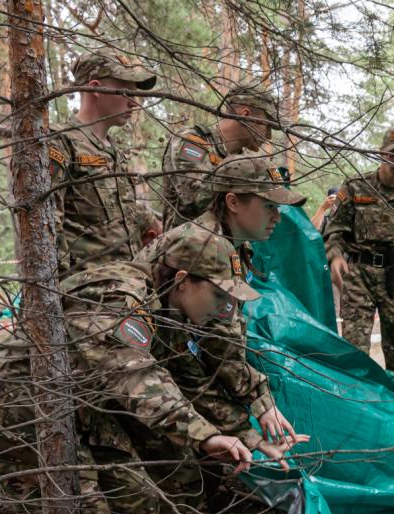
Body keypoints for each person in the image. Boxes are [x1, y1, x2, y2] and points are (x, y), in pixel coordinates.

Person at [0, 225, 276, 514]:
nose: (224, 307)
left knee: (134, 500)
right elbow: (135, 377)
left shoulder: (161, 304)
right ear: (182, 278)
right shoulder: (120, 296)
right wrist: (205, 434)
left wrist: (242, 432)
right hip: (22, 416)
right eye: (219, 295)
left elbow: (183, 379)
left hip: (74, 410)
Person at [139, 152, 307, 449]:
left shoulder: (230, 247)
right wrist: (256, 407)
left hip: (165, 373)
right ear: (232, 203)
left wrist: (252, 415)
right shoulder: (208, 247)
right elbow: (218, 345)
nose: (278, 218)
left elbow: (218, 347)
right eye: (269, 206)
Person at [323, 127, 394, 377]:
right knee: (354, 354)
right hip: (357, 277)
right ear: (381, 153)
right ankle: (356, 407)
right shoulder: (356, 187)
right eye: (392, 155)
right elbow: (334, 231)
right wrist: (335, 256)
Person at [48, 47, 161, 277]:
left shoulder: (115, 151)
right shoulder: (61, 142)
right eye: (125, 93)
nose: (134, 103)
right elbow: (48, 225)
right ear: (95, 89)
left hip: (130, 283)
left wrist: (149, 222)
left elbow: (116, 213)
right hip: (90, 293)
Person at [161, 83, 280, 229]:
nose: (268, 136)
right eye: (267, 126)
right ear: (245, 115)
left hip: (228, 248)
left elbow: (274, 196)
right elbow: (197, 198)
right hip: (189, 247)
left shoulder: (247, 161)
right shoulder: (193, 141)